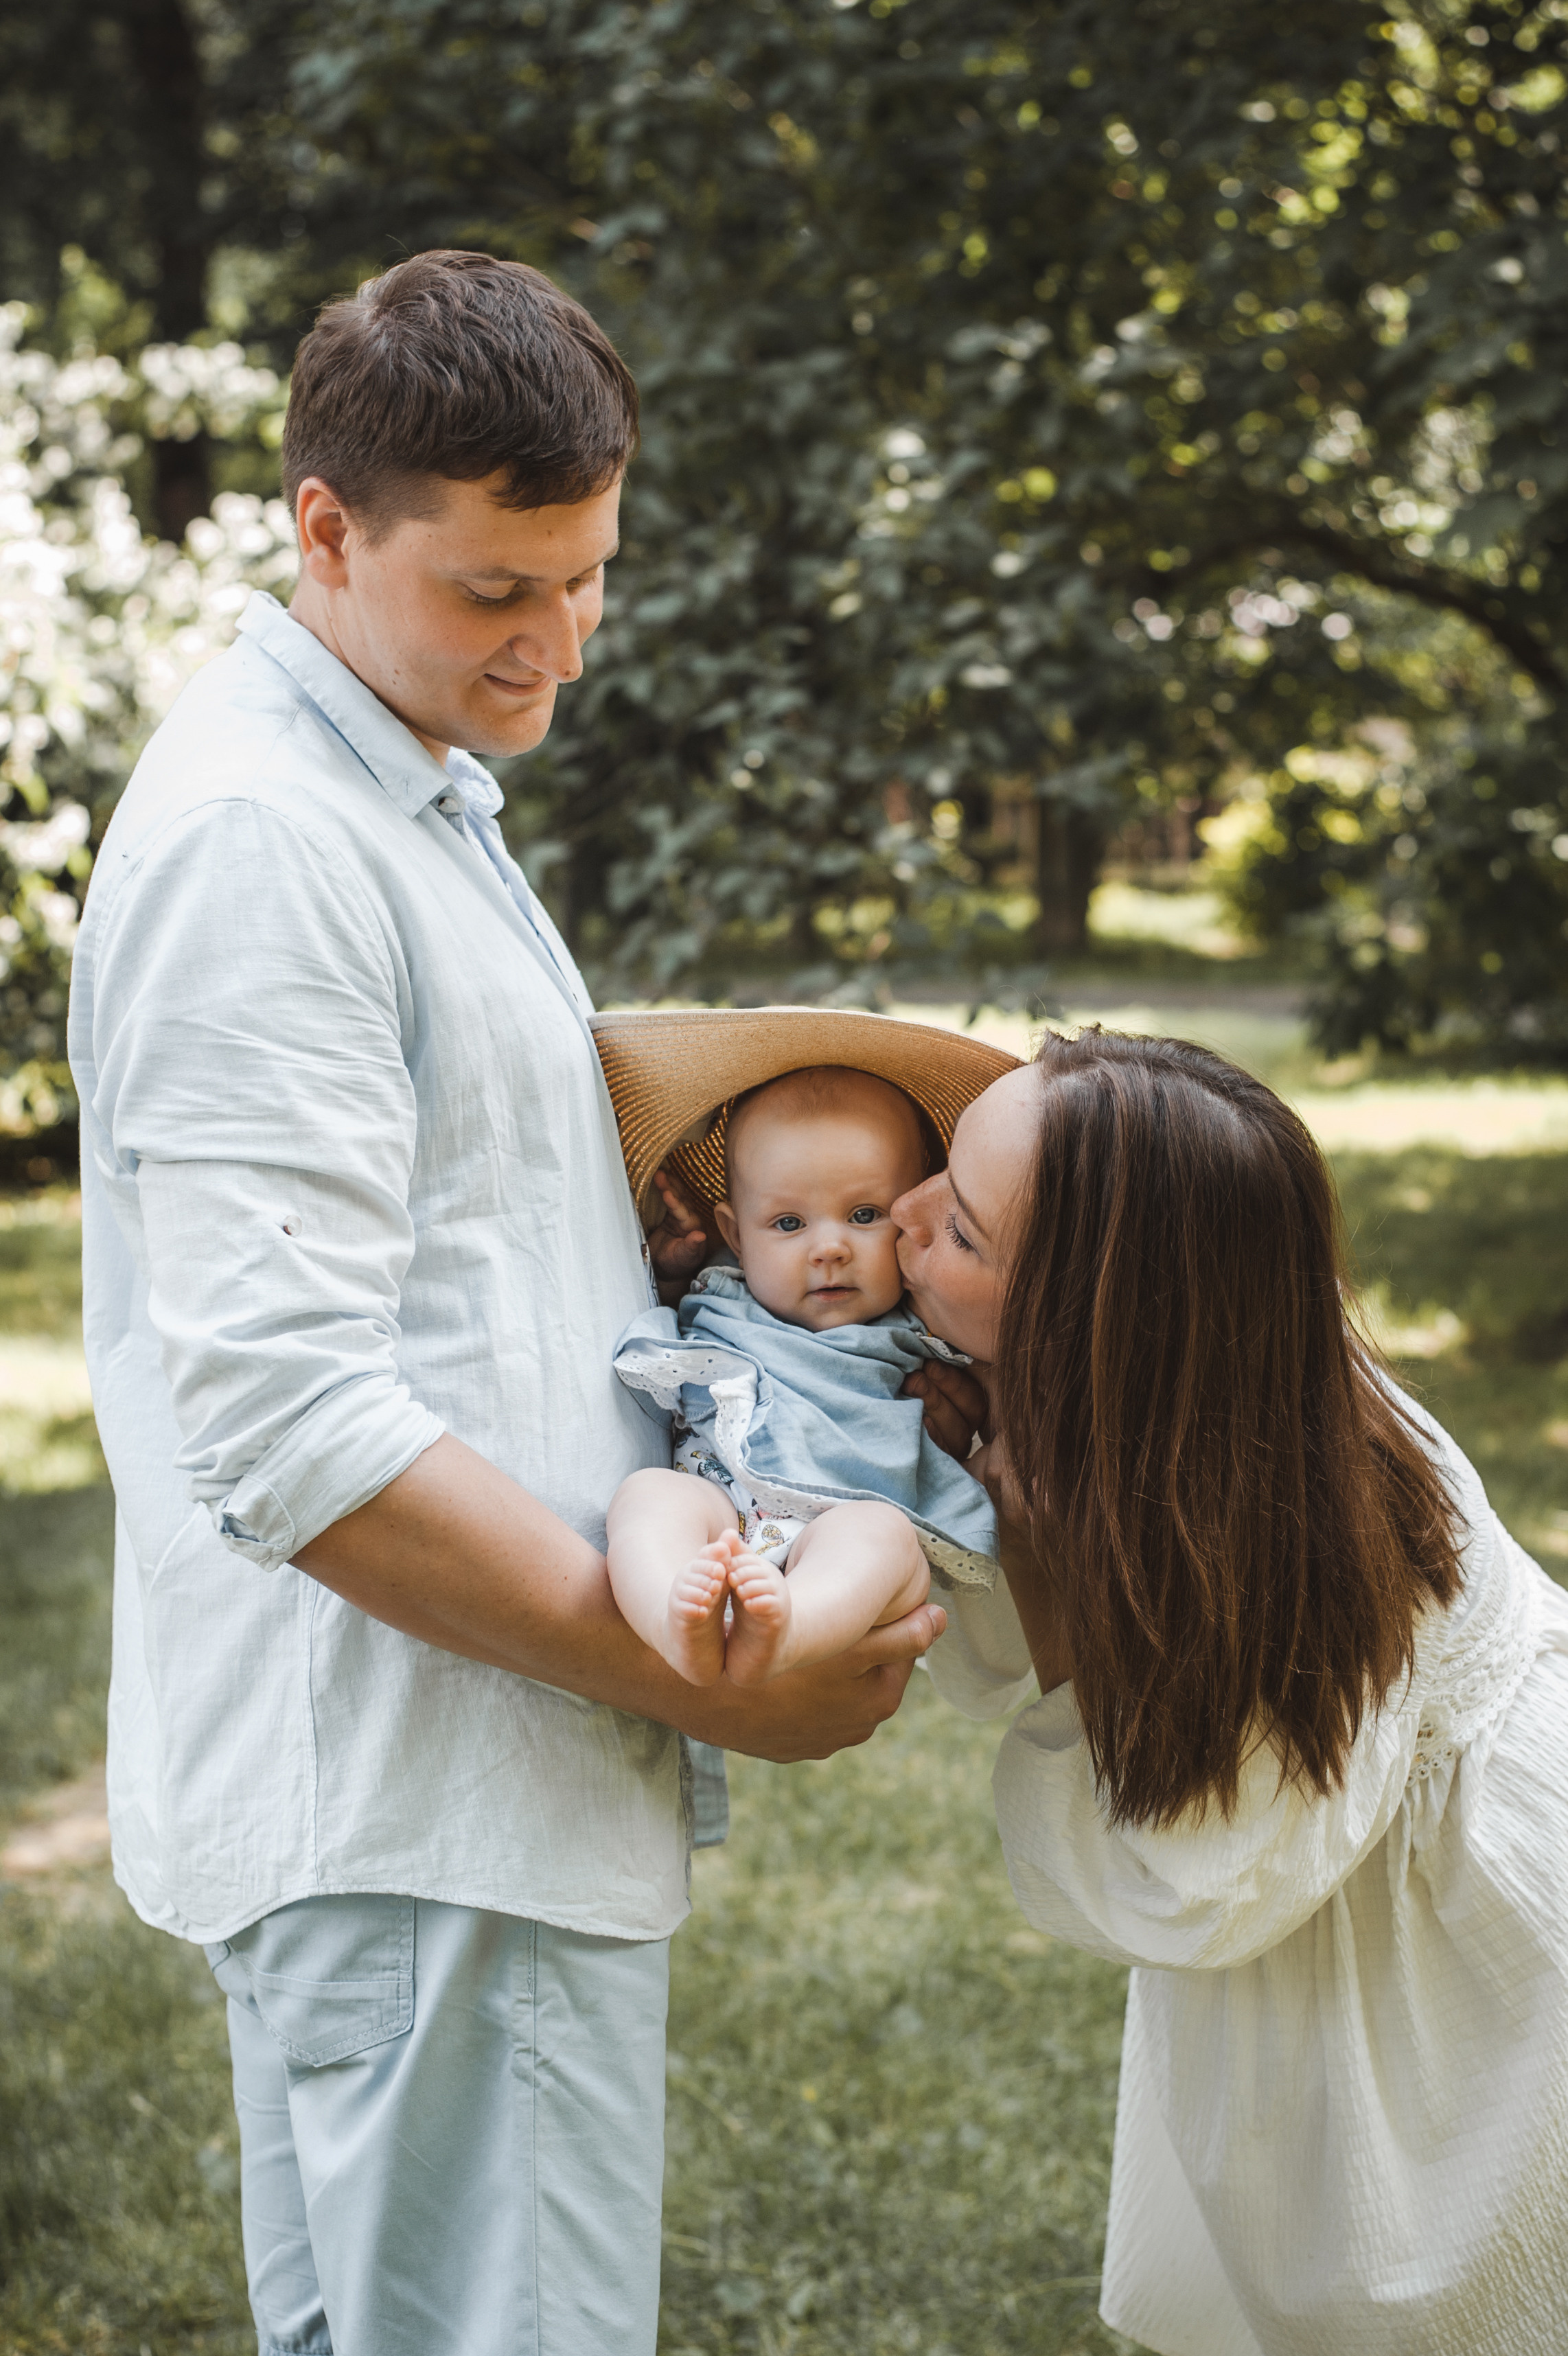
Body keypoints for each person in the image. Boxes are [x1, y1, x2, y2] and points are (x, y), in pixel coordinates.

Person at [67, 250, 945, 2356]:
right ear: (326, 527)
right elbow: (291, 1432)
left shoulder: (395, 791)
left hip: (440, 1819)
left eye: (587, 577)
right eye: (493, 591)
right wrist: (701, 1683)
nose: (553, 641)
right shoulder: (267, 843)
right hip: (433, 1810)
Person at [896, 1026, 1568, 2356]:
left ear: (1085, 1322)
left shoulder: (1265, 1541)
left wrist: (1038, 1567)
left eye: (960, 1231)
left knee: (1441, 2281)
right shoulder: (1173, 1376)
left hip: (1471, 1935)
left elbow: (1187, 1881)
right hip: (1308, 1871)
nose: (903, 1217)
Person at [606, 1065, 998, 1686]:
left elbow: (997, 1372)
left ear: (912, 1218)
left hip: (845, 1531)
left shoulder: (924, 1317)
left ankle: (787, 1629)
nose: (829, 1249)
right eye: (789, 1224)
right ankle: (672, 1616)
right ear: (736, 1235)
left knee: (883, 1538)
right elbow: (676, 1318)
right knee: (649, 1497)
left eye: (864, 1214)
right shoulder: (724, 1294)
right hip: (720, 1508)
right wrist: (673, 1271)